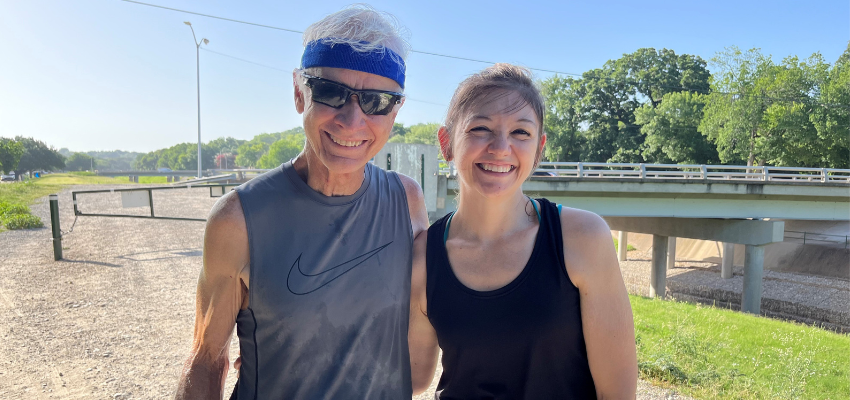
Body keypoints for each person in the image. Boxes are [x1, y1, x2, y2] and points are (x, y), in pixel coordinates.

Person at [175, 5, 429, 399]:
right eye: (331, 93)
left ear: (396, 110)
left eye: (376, 101)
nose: (352, 119)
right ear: (299, 92)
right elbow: (207, 360)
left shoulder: (407, 201)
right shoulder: (238, 219)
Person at [407, 64, 638, 399]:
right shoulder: (423, 256)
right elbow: (412, 378)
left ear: (539, 149)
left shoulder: (583, 238)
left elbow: (617, 394)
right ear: (447, 144)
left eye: (520, 133)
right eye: (480, 128)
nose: (501, 148)